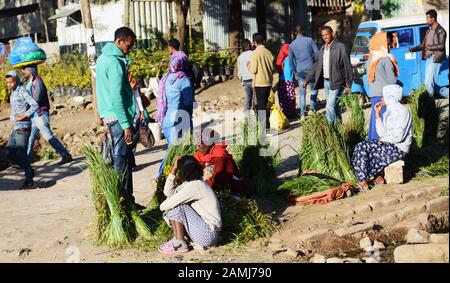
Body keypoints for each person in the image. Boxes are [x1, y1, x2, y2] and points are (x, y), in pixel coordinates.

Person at [96, 26, 137, 200]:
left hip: (110, 116)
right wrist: (126, 125)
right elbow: (116, 97)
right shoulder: (114, 63)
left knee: (123, 158)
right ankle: (123, 199)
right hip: (119, 118)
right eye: (128, 46)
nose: (130, 50)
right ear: (119, 41)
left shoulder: (103, 58)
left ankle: (127, 199)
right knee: (121, 159)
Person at [352, 84, 412, 191]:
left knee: (362, 147)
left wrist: (382, 140)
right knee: (367, 147)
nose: (381, 99)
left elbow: (398, 136)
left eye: (384, 96)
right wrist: (377, 114)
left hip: (398, 148)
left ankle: (363, 182)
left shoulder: (403, 112)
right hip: (390, 145)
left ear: (390, 97)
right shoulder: (388, 112)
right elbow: (382, 133)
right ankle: (378, 178)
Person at [159, 156, 221, 254]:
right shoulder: (193, 183)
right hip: (207, 234)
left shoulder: (195, 186)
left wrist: (163, 205)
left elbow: (166, 205)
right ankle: (177, 240)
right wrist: (173, 170)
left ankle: (180, 243)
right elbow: (168, 192)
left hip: (207, 235)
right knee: (174, 203)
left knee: (177, 206)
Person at [22, 65, 73, 164]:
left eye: (24, 69)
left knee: (49, 137)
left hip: (40, 115)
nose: (22, 71)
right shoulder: (30, 81)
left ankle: (66, 155)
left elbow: (35, 100)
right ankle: (26, 161)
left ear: (30, 69)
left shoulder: (38, 82)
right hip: (33, 116)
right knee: (30, 138)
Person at [303, 26, 352, 126]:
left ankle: (330, 129)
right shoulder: (322, 49)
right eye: (323, 35)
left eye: (327, 34)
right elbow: (316, 65)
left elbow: (348, 66)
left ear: (332, 33)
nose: (325, 37)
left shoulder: (340, 47)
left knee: (329, 106)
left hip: (337, 82)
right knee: (335, 106)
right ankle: (339, 127)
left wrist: (348, 84)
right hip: (326, 82)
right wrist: (307, 80)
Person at [155, 50, 194, 178]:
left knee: (172, 150)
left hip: (166, 122)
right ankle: (160, 176)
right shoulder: (183, 79)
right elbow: (188, 103)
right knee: (176, 152)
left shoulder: (165, 78)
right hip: (180, 121)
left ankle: (171, 177)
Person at [5, 70, 38, 189]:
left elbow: (35, 105)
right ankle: (28, 169)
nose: (9, 84)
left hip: (23, 127)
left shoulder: (21, 91)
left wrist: (23, 115)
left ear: (16, 81)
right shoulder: (12, 93)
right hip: (15, 128)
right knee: (9, 152)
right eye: (7, 83)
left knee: (21, 154)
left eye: (11, 82)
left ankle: (29, 181)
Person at [193, 129, 247, 197]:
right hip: (212, 188)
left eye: (198, 145)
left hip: (230, 192)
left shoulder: (219, 157)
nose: (196, 149)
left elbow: (213, 182)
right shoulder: (202, 154)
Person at [366, 32, 399, 140]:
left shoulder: (370, 60)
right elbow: (391, 80)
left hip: (374, 95)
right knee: (384, 124)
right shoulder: (385, 58)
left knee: (375, 120)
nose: (389, 47)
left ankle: (372, 147)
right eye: (387, 44)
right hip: (385, 97)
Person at [409, 9, 448, 98]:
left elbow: (441, 46)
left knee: (428, 82)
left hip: (436, 58)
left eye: (428, 19)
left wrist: (429, 47)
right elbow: (423, 45)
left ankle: (430, 105)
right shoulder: (428, 31)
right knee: (432, 83)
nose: (426, 21)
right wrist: (413, 49)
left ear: (433, 18)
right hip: (429, 58)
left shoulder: (440, 31)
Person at [288, 25, 319, 120]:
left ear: (295, 33)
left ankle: (302, 114)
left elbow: (290, 61)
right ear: (303, 31)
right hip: (311, 69)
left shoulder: (292, 45)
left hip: (300, 71)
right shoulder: (309, 40)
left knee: (302, 93)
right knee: (314, 89)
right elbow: (317, 54)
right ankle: (312, 110)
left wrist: (295, 73)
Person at [248, 33, 274, 130]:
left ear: (254, 42)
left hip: (259, 83)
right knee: (266, 105)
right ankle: (267, 127)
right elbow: (272, 67)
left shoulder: (255, 53)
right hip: (268, 82)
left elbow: (254, 70)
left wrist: (249, 65)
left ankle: (264, 129)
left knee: (261, 106)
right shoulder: (268, 52)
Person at [276, 43, 296, 118]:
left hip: (281, 81)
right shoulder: (291, 58)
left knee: (283, 97)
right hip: (289, 81)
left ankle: (284, 112)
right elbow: (295, 67)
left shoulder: (281, 58)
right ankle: (291, 113)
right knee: (290, 97)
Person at [237, 39, 254, 112]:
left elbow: (239, 72)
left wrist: (242, 81)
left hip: (246, 81)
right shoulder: (254, 53)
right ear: (249, 45)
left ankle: (247, 120)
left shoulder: (240, 57)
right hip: (255, 79)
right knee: (257, 101)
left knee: (247, 100)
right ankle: (260, 120)